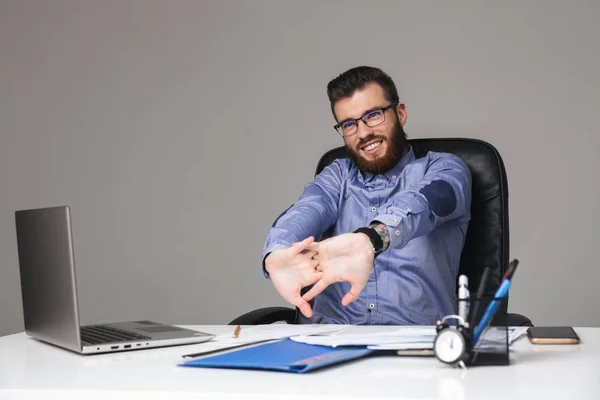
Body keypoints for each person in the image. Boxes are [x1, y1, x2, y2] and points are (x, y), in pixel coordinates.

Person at [261, 66, 472, 325]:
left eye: (373, 115)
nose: (363, 133)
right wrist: (276, 253)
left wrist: (371, 239)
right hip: (330, 345)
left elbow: (422, 204)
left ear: (401, 113)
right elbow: (307, 208)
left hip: (415, 348)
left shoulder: (444, 168)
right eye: (349, 124)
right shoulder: (337, 175)